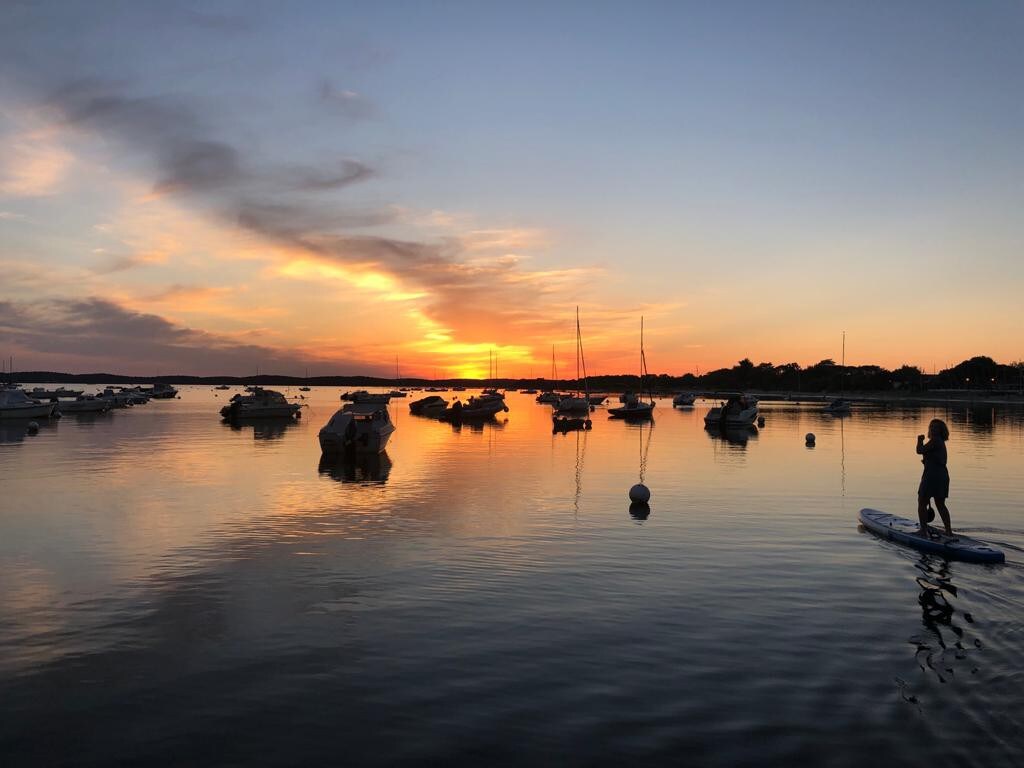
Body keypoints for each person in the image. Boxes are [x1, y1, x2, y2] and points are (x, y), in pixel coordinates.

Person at [916, 419, 952, 537]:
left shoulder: (935, 441)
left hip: (932, 476)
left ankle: (923, 530)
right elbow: (936, 458)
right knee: (940, 504)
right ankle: (948, 531)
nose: (933, 429)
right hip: (942, 475)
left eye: (936, 427)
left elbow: (919, 450)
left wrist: (919, 440)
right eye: (931, 427)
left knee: (922, 501)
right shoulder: (940, 442)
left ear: (941, 431)